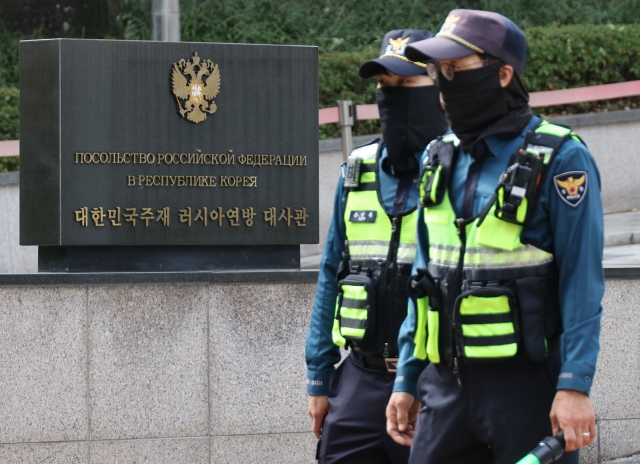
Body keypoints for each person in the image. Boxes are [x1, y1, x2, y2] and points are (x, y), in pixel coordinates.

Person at [385, 9, 603, 464]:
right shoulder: (436, 157)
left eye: (456, 69)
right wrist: (406, 379)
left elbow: (582, 283)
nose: (444, 83)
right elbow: (422, 279)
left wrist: (574, 386)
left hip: (529, 389)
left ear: (503, 74)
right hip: (444, 386)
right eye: (438, 70)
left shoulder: (562, 158)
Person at [305, 29, 449, 464]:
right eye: (385, 84)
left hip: (435, 381)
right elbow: (331, 273)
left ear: (439, 89)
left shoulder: (459, 169)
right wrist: (319, 377)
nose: (392, 94)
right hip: (359, 378)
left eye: (406, 84)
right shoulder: (358, 169)